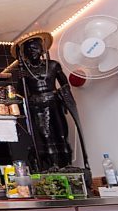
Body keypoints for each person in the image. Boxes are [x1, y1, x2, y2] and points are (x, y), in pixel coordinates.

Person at [11, 32, 76, 171]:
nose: (31, 52)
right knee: (46, 135)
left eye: (34, 48)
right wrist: (20, 79)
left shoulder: (53, 65)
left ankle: (68, 164)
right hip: (37, 104)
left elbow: (64, 85)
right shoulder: (25, 71)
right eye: (28, 50)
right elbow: (20, 93)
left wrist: (65, 100)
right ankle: (53, 165)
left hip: (54, 102)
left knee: (62, 133)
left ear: (41, 50)